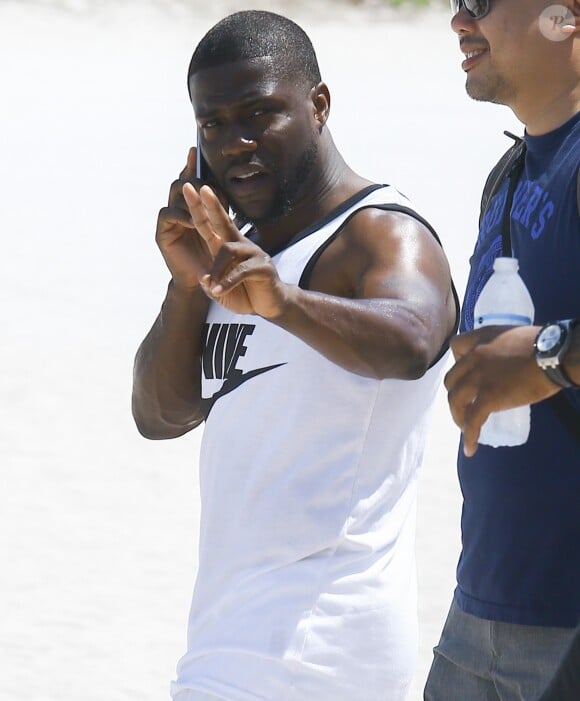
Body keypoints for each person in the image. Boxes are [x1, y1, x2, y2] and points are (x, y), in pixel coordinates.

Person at [132, 10, 458, 701]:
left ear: (318, 105)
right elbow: (159, 415)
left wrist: (283, 301)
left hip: (318, 645)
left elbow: (416, 339)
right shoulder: (237, 255)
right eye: (213, 124)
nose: (236, 143)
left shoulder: (379, 232)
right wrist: (188, 284)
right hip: (235, 641)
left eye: (259, 113)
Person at [424, 1, 580, 700]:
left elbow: (536, 356)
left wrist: (550, 355)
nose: (460, 20)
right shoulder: (508, 176)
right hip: (479, 606)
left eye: (481, 2)